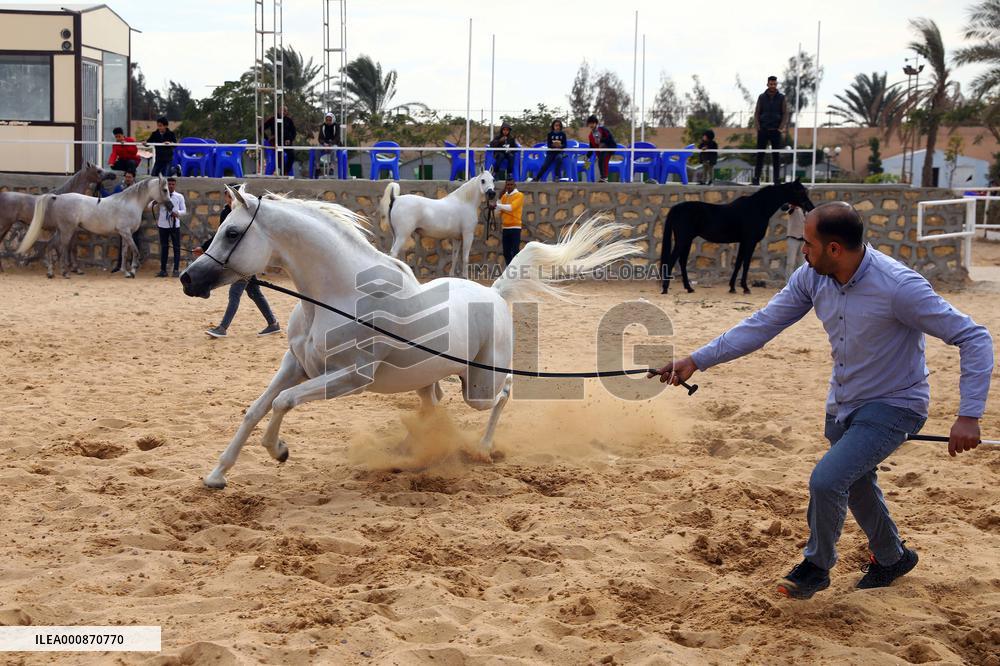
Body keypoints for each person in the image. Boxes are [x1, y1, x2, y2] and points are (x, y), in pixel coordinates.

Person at [649, 202, 993, 600]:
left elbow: (974, 337)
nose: (802, 252)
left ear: (834, 249)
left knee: (828, 480)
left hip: (896, 405)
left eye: (808, 244)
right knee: (857, 481)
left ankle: (816, 567)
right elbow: (762, 324)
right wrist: (695, 360)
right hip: (844, 402)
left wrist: (969, 414)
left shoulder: (899, 286)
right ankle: (891, 556)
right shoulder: (812, 277)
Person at [201, 190, 280, 338]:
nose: (231, 200)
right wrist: (204, 248)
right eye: (228, 196)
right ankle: (273, 323)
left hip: (244, 262)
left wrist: (204, 248)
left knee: (235, 293)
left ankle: (222, 328)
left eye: (232, 197)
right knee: (254, 292)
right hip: (243, 261)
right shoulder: (228, 213)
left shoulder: (242, 216)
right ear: (225, 197)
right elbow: (221, 239)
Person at [101, 171, 144, 274]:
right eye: (127, 177)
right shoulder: (119, 188)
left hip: (134, 219)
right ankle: (121, 265)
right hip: (122, 220)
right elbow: (111, 198)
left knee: (135, 241)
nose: (128, 179)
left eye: (130, 177)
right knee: (123, 243)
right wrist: (101, 189)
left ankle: (134, 263)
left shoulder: (138, 190)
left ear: (133, 178)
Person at [752, 76, 788, 186]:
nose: (773, 86)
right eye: (771, 84)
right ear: (767, 84)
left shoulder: (781, 97)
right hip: (763, 130)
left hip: (775, 131)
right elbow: (757, 112)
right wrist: (758, 126)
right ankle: (756, 178)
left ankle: (777, 179)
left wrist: (780, 128)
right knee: (760, 155)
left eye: (774, 84)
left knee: (776, 156)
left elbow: (785, 113)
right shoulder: (762, 97)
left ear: (776, 84)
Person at [153, 176, 186, 278]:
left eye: (173, 184)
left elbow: (184, 211)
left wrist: (177, 213)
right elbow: (150, 206)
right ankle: (163, 270)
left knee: (176, 247)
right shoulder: (161, 196)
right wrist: (156, 202)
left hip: (175, 225)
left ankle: (176, 269)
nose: (171, 186)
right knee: (164, 247)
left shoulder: (179, 197)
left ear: (175, 185)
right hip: (163, 225)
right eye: (169, 184)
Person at [491, 176, 524, 266]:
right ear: (505, 185)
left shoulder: (519, 195)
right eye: (507, 185)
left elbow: (511, 208)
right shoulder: (504, 197)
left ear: (514, 185)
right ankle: (511, 269)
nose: (509, 186)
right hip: (505, 228)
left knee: (515, 252)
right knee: (506, 252)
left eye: (511, 185)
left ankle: (515, 270)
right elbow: (497, 213)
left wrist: (497, 205)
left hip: (515, 227)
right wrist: (499, 199)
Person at [263, 106, 297, 176]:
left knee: (292, 155)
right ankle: (281, 171)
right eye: (282, 110)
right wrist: (267, 138)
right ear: (278, 110)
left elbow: (294, 132)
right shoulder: (273, 119)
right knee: (279, 155)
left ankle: (285, 172)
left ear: (287, 112)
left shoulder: (289, 120)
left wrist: (289, 139)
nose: (283, 112)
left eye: (285, 111)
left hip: (286, 142)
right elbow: (260, 129)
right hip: (275, 142)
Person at [586, 115, 616, 183]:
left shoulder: (602, 129)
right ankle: (603, 177)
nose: (591, 125)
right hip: (599, 152)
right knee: (600, 161)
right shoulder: (590, 135)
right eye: (590, 123)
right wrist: (587, 156)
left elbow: (610, 138)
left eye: (593, 123)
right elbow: (591, 146)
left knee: (603, 160)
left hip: (608, 149)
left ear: (596, 123)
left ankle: (604, 177)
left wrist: (602, 140)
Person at [784, 203, 806, 278]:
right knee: (790, 262)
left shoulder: (807, 209)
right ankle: (788, 283)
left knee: (802, 264)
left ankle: (800, 284)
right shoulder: (793, 207)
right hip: (793, 238)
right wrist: (791, 206)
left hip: (804, 240)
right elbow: (784, 208)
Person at [317, 112, 341, 177]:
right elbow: (320, 138)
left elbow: (337, 138)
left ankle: (331, 168)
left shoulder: (337, 126)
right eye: (327, 120)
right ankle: (318, 168)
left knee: (333, 149)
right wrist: (324, 144)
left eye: (330, 120)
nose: (328, 121)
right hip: (324, 144)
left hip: (333, 143)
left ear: (333, 119)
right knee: (317, 149)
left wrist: (330, 144)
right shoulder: (322, 126)